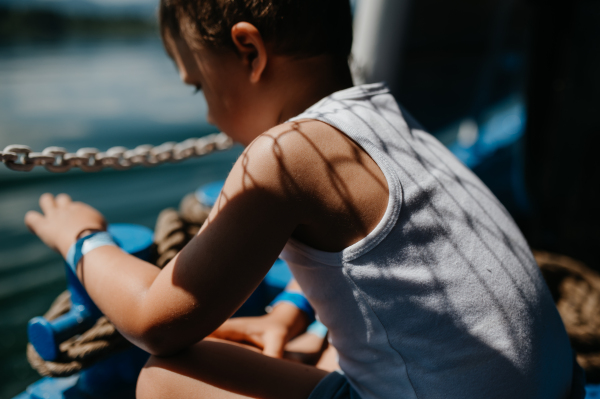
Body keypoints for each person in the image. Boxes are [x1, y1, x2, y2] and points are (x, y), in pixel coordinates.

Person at [24, 0, 583, 398]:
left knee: (166, 377)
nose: (208, 116)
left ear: (249, 51)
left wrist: (80, 237)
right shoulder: (389, 119)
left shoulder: (285, 155)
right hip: (559, 388)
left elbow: (153, 319)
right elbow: (382, 261)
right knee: (335, 351)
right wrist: (290, 312)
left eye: (198, 85)